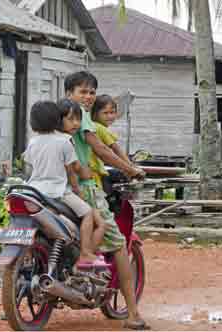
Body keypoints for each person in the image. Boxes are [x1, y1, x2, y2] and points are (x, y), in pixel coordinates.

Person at [64, 71, 148, 330]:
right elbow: (100, 149)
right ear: (70, 94)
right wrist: (131, 169)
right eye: (83, 92)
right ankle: (133, 313)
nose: (87, 97)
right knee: (118, 244)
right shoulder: (82, 117)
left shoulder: (58, 114)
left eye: (91, 92)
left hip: (55, 186)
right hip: (85, 187)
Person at [23, 101, 102, 265]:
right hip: (57, 191)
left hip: (34, 191)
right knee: (88, 214)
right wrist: (77, 190)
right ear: (57, 120)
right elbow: (72, 170)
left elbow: (30, 165)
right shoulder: (65, 141)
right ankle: (86, 252)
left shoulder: (32, 142)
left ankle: (28, 253)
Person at [89, 94, 132, 188]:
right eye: (105, 113)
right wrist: (131, 168)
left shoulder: (92, 126)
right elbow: (116, 149)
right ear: (95, 113)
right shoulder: (100, 128)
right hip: (94, 175)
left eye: (112, 112)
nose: (109, 116)